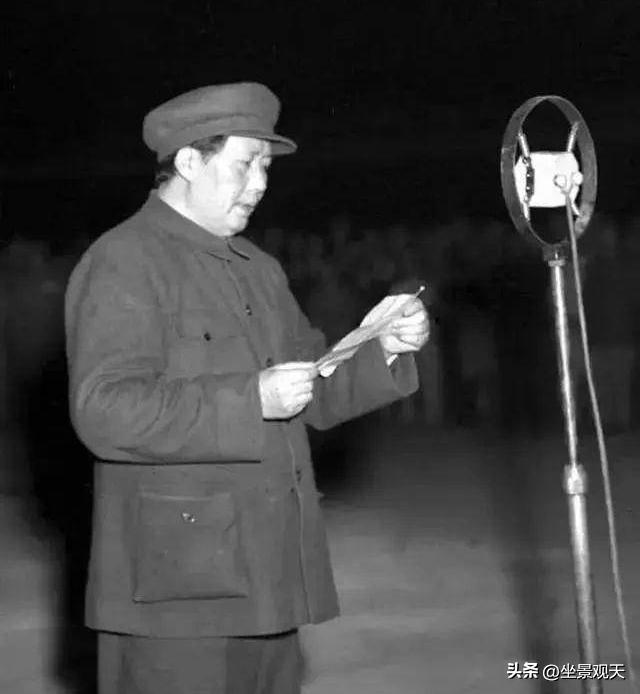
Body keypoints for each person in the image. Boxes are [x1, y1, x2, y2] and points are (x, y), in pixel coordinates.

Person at [64, 82, 430, 694]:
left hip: (268, 576)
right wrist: (251, 399)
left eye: (266, 167)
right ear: (189, 161)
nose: (260, 184)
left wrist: (382, 348)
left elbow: (313, 384)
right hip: (177, 595)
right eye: (245, 163)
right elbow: (103, 409)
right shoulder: (124, 261)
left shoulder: (259, 269)